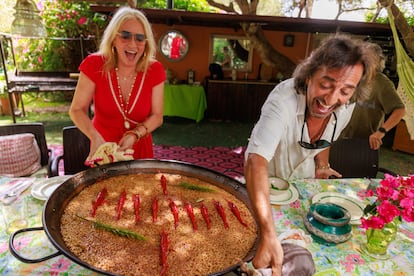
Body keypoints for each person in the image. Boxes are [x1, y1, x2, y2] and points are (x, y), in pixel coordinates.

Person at [243, 34, 379, 275]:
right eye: (325, 84)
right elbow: (256, 161)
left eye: (346, 90)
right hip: (266, 188)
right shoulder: (282, 100)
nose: (331, 98)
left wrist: (322, 164)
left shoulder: (346, 105)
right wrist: (268, 233)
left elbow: (327, 133)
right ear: (308, 76)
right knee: (257, 252)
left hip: (303, 182)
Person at [69, 7, 165, 161]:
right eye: (125, 36)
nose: (133, 44)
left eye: (140, 38)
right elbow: (77, 110)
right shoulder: (94, 64)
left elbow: (157, 116)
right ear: (113, 38)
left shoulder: (155, 70)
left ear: (146, 44)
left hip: (140, 149)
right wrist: (94, 136)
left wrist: (135, 135)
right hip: (103, 148)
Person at [339, 43, 406, 150]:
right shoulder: (351, 76)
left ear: (378, 61)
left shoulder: (382, 83)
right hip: (339, 137)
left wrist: (381, 132)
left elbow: (400, 111)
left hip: (366, 143)